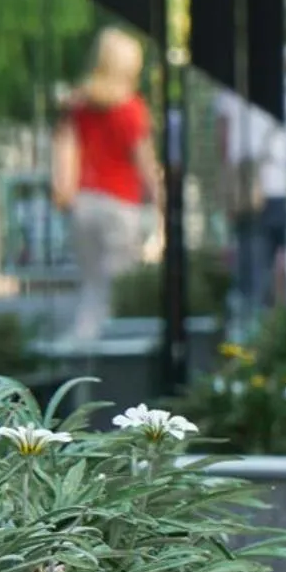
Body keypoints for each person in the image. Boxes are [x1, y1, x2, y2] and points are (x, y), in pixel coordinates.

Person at [54, 27, 164, 342]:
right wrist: (162, 202)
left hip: (83, 204)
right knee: (115, 290)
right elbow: (145, 163)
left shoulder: (78, 105)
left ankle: (80, 346)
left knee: (91, 287)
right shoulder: (130, 109)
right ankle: (102, 359)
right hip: (119, 206)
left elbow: (67, 150)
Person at [217, 88, 286, 325]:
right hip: (278, 186)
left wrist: (226, 190)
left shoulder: (227, 93)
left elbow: (223, 143)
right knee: (277, 262)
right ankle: (277, 324)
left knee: (251, 273)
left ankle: (254, 330)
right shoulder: (281, 84)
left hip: (248, 192)